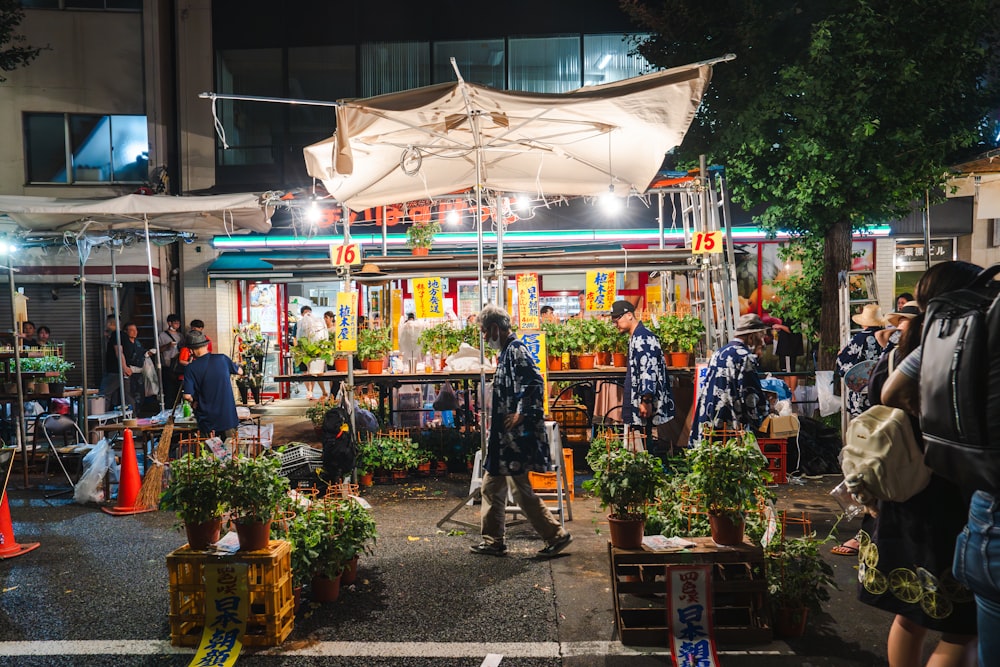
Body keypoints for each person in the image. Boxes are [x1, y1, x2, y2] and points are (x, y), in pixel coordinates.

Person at [855, 261, 981, 666]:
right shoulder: (961, 353)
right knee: (963, 628)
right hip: (949, 502)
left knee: (910, 614)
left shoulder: (896, 354)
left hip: (898, 496)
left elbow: (875, 400)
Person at [470, 304, 572, 558]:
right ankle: (493, 540)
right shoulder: (506, 352)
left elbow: (535, 382)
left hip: (514, 437)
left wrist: (521, 414)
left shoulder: (516, 350)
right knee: (491, 486)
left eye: (484, 332)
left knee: (519, 490)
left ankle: (556, 535)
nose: (484, 337)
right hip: (503, 436)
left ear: (495, 328)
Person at [688, 313, 770, 447]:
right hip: (728, 426)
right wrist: (765, 412)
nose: (762, 342)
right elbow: (750, 395)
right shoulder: (745, 357)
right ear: (751, 337)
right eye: (761, 337)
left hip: (708, 420)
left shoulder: (718, 353)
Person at [610, 299, 674, 449]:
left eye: (617, 319)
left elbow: (648, 369)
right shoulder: (637, 337)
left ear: (629, 315)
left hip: (645, 401)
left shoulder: (643, 337)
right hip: (640, 399)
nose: (615, 324)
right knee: (641, 439)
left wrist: (646, 400)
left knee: (645, 439)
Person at [182, 330, 241, 441]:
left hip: (207, 420)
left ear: (191, 350)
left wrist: (194, 401)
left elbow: (187, 396)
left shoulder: (190, 368)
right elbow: (240, 371)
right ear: (206, 345)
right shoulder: (222, 359)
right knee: (232, 453)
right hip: (228, 417)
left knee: (209, 455)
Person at [836, 303, 888, 419]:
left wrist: (840, 355)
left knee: (862, 425)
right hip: (882, 388)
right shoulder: (887, 337)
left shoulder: (859, 338)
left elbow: (843, 363)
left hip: (862, 389)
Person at [116, 322, 155, 415]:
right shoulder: (124, 343)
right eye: (131, 330)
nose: (134, 332)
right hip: (129, 371)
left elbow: (142, 352)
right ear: (126, 331)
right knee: (130, 394)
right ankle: (131, 414)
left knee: (140, 394)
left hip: (139, 372)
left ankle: (137, 413)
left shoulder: (137, 342)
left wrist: (148, 353)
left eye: (135, 330)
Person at [294, 305, 328, 400]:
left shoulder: (316, 323)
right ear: (302, 314)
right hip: (303, 352)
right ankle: (309, 392)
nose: (308, 314)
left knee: (314, 372)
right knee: (305, 372)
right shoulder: (299, 324)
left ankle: (313, 391)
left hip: (314, 351)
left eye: (309, 312)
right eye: (305, 312)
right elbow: (295, 338)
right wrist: (297, 350)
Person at [158, 314, 183, 403]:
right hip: (167, 364)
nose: (177, 325)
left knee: (178, 389)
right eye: (175, 323)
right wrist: (168, 346)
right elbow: (157, 350)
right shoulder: (162, 335)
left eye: (178, 323)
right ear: (169, 323)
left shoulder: (180, 335)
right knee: (169, 389)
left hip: (178, 365)